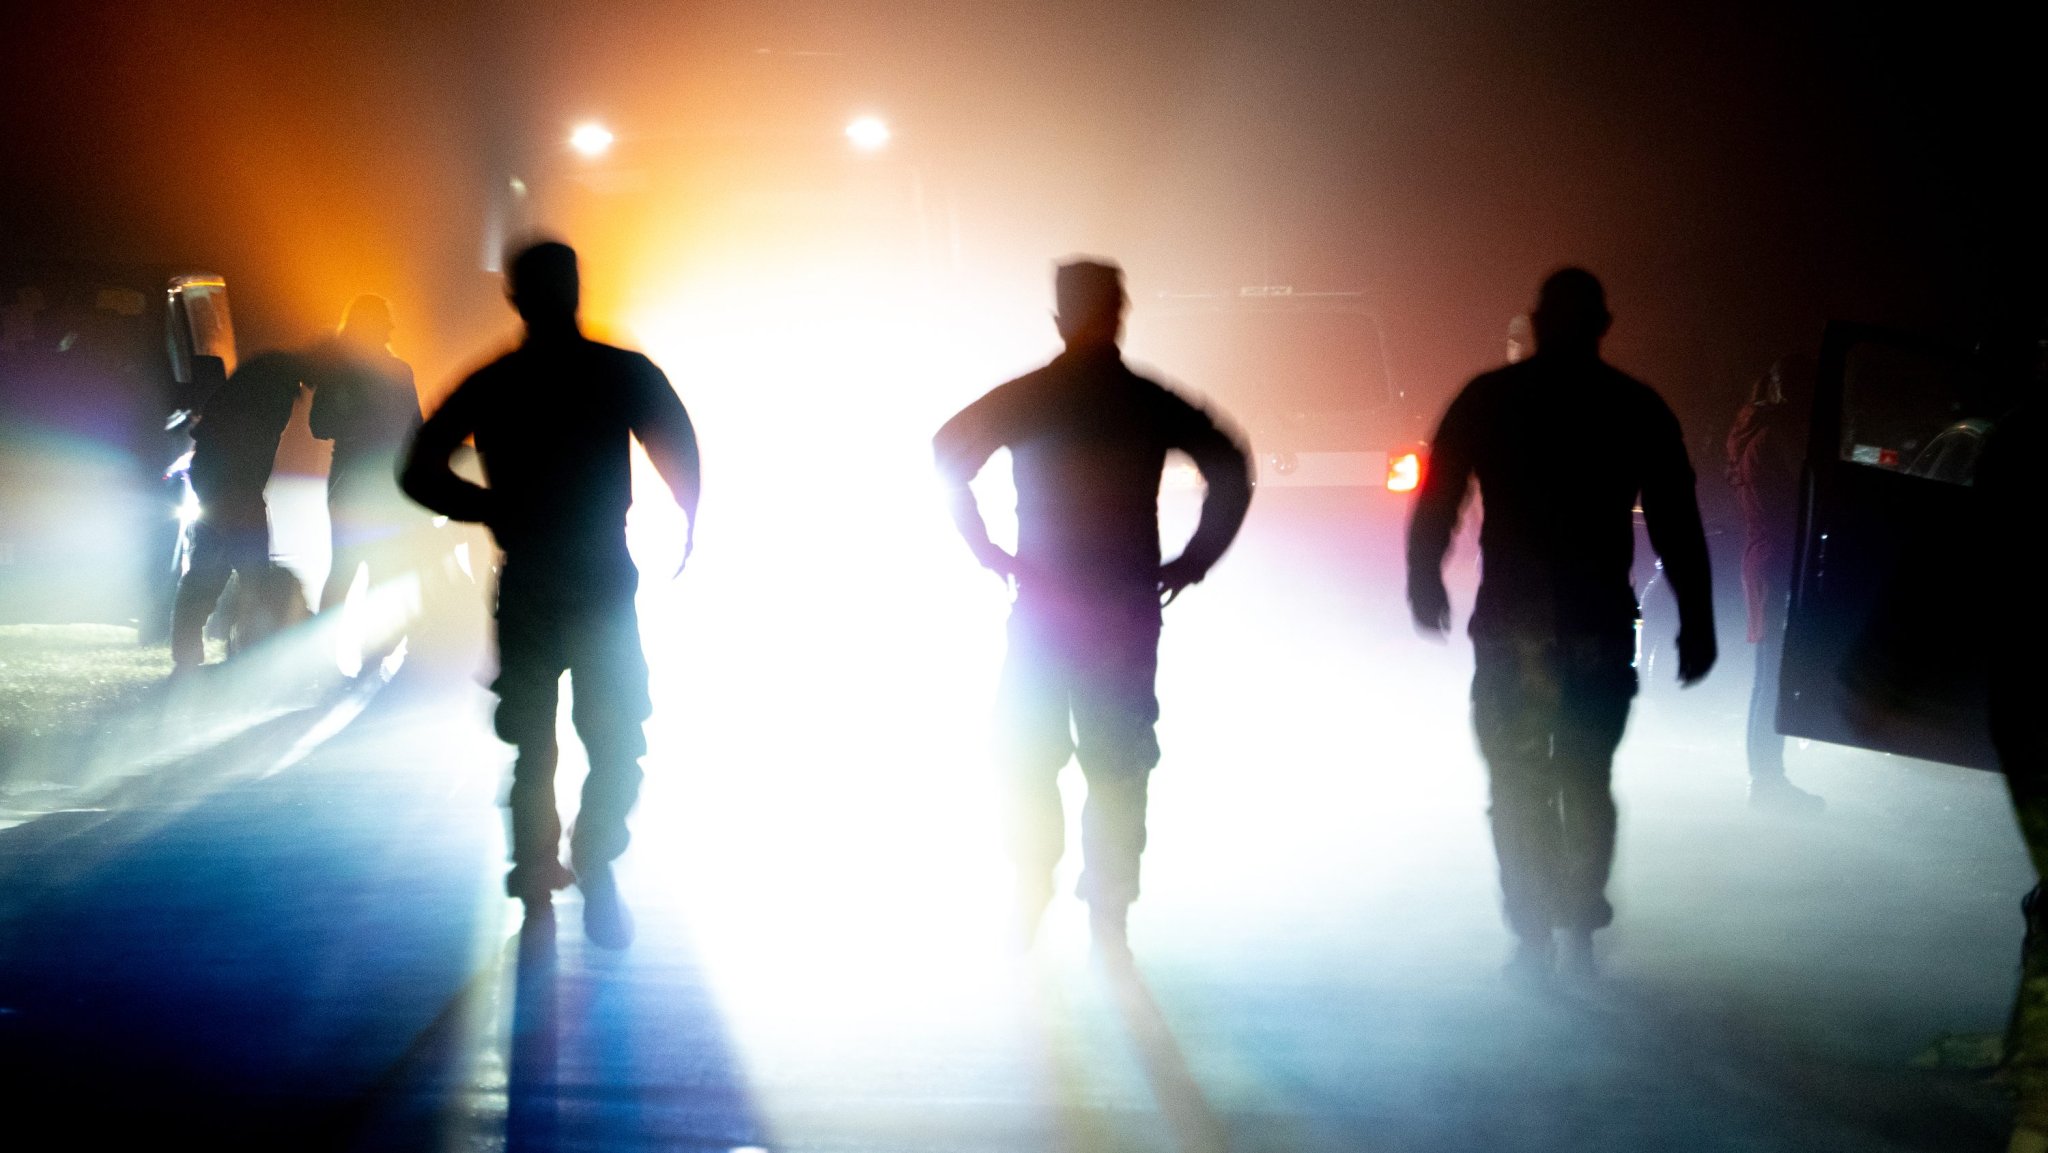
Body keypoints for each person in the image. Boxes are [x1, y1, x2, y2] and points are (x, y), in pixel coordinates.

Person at [933, 258, 1252, 959]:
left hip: (1044, 605)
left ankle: (1033, 880)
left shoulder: (1029, 397)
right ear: (1119, 312)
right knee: (1118, 756)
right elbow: (1231, 463)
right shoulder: (1147, 401)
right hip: (1125, 606)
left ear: (1059, 317)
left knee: (1025, 749)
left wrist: (986, 548)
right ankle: (1110, 905)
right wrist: (1196, 559)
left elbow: (945, 450)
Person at [1407, 268, 1715, 983]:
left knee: (1516, 783)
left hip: (1513, 624)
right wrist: (1696, 620)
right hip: (1597, 625)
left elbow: (1438, 498)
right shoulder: (1634, 407)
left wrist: (1424, 578)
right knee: (1585, 776)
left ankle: (1534, 933)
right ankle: (1577, 921)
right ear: (1603, 324)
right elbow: (1676, 521)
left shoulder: (1490, 399)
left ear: (1537, 322)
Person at [401, 241, 700, 949]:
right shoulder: (617, 371)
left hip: (530, 579)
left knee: (533, 745)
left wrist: (488, 508)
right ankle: (594, 855)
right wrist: (692, 520)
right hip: (601, 580)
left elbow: (418, 469)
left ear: (513, 296)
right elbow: (678, 445)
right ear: (574, 287)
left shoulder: (495, 381)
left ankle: (535, 880)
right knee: (617, 736)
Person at [1725, 355, 1826, 813]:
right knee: (1772, 679)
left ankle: (1765, 780)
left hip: (1762, 558)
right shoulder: (1775, 437)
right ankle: (1767, 782)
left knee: (1767, 676)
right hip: (1777, 560)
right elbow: (1810, 494)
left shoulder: (1752, 434)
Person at [169, 352, 311, 672]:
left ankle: (189, 654)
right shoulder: (273, 393)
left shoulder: (246, 387)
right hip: (235, 485)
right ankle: (251, 650)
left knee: (209, 569)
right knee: (252, 574)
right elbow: (253, 445)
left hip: (218, 481)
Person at [310, 295, 424, 627]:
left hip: (351, 480)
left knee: (346, 569)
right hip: (386, 483)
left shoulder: (339, 374)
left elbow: (319, 426)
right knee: (380, 570)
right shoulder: (398, 372)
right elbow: (417, 429)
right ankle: (371, 658)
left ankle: (327, 656)